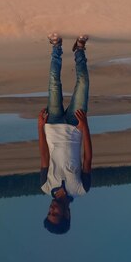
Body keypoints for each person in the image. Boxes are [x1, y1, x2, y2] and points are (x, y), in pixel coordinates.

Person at [38, 34, 92, 234]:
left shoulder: (45, 186)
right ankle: (79, 49)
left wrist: (40, 126)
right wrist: (84, 127)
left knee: (54, 82)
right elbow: (87, 160)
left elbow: (44, 156)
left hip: (52, 125)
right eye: (55, 214)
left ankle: (56, 46)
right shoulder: (81, 189)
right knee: (83, 83)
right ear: (66, 214)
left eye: (48, 213)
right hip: (76, 126)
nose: (51, 209)